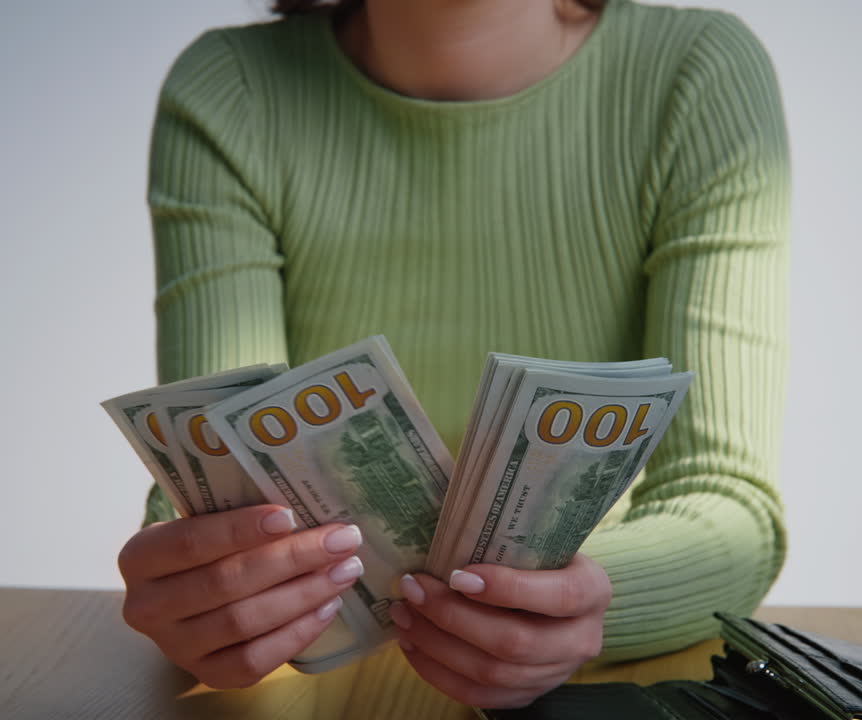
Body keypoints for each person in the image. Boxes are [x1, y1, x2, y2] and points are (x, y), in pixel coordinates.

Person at [117, 0, 791, 709]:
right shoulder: (232, 90)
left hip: (591, 681)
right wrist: (207, 586)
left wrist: (588, 599)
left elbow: (729, 505)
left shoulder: (696, 73)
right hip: (322, 684)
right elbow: (217, 482)